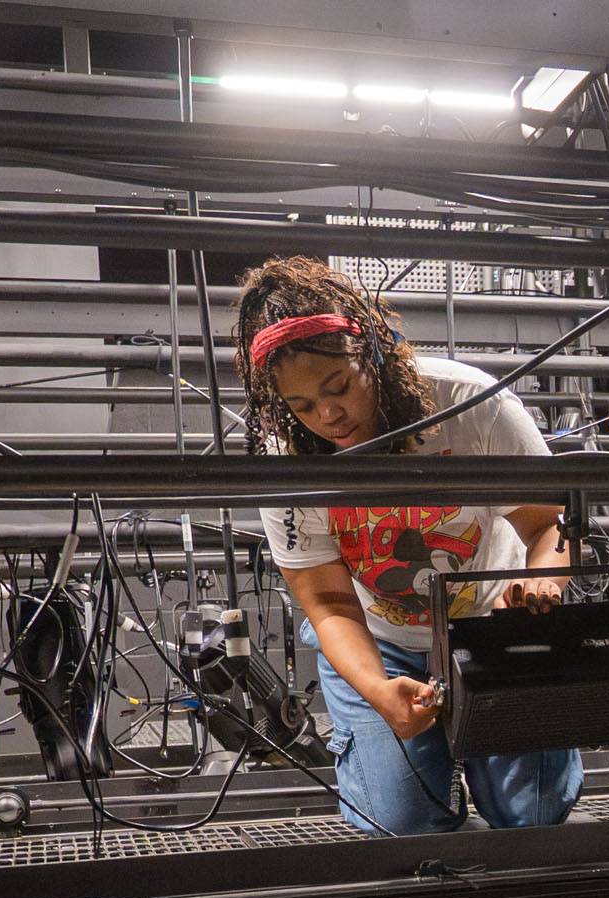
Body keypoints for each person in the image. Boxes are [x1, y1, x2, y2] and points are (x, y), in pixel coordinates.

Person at [235, 256, 583, 835]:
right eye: (300, 406)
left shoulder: (469, 404)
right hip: (382, 641)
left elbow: (551, 526)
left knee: (534, 815)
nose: (327, 416)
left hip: (492, 628)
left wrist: (543, 582)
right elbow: (329, 605)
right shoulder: (288, 463)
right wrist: (375, 689)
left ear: (370, 348)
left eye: (339, 387)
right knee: (403, 826)